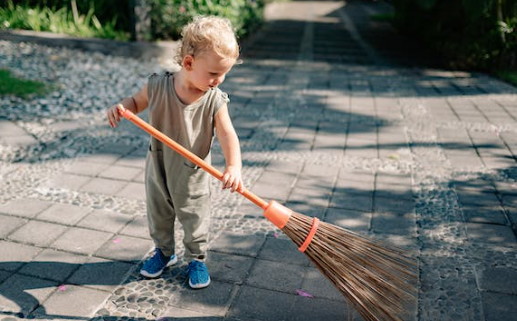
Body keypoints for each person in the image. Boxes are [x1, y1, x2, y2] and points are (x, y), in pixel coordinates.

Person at [106, 15, 243, 289]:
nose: (219, 79)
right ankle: (164, 252)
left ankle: (196, 258)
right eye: (214, 73)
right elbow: (135, 102)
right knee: (159, 212)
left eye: (224, 73)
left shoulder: (214, 99)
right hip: (158, 165)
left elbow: (228, 134)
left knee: (194, 216)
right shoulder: (157, 86)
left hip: (192, 173)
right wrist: (121, 108)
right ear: (189, 63)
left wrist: (233, 167)